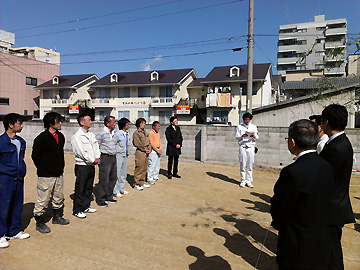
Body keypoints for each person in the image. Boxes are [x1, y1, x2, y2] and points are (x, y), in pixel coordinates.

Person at [270, 119, 335, 270]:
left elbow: (279, 208)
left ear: (292, 142)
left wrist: (278, 223)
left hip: (297, 246)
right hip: (321, 242)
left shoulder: (292, 172)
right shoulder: (326, 165)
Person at [319, 104, 355, 270]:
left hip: (331, 208)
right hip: (335, 205)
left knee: (332, 253)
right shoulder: (340, 142)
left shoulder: (337, 147)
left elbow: (325, 178)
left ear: (326, 121)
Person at [32, 112, 69, 234]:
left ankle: (57, 217)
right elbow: (35, 156)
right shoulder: (42, 138)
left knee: (58, 197)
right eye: (58, 121)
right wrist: (44, 168)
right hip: (46, 174)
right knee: (43, 199)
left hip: (58, 173)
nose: (60, 123)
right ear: (50, 123)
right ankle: (40, 222)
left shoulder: (61, 136)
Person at [0, 113, 29, 248]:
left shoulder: (21, 142)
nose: (21, 125)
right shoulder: (1, 142)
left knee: (17, 205)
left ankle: (14, 231)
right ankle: (1, 234)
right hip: (5, 179)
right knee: (3, 206)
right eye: (19, 123)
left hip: (18, 178)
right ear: (10, 125)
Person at [71, 114, 100, 219]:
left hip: (91, 165)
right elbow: (80, 152)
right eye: (89, 120)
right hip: (82, 166)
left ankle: (86, 206)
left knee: (88, 187)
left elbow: (96, 147)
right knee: (80, 188)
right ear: (82, 122)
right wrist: (92, 160)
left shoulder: (91, 134)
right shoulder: (77, 136)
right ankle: (77, 210)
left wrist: (97, 157)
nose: (91, 121)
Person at [95, 116, 117, 207]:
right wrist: (97, 158)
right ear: (107, 123)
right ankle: (101, 199)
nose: (114, 124)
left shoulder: (114, 133)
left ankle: (109, 196)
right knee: (104, 179)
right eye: (113, 122)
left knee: (113, 178)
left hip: (113, 157)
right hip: (105, 157)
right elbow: (96, 145)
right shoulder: (101, 134)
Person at [235, 112, 259, 188]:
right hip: (243, 146)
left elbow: (257, 136)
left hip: (251, 146)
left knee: (250, 164)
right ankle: (243, 180)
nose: (247, 121)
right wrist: (242, 136)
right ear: (243, 119)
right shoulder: (239, 127)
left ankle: (249, 181)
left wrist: (254, 136)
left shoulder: (253, 127)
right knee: (242, 163)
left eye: (248, 119)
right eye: (246, 119)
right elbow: (237, 137)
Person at [113, 118, 130, 198]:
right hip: (118, 155)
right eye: (127, 124)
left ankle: (121, 188)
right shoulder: (117, 134)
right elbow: (113, 144)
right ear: (123, 125)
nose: (129, 126)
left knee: (123, 173)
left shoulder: (127, 134)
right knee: (118, 173)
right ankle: (115, 190)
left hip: (125, 155)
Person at [132, 118, 151, 190]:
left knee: (144, 168)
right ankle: (136, 183)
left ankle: (142, 182)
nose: (144, 125)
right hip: (140, 152)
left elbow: (149, 142)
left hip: (146, 152)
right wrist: (145, 149)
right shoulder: (136, 133)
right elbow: (137, 144)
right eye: (142, 123)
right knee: (139, 167)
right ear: (138, 124)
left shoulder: (145, 132)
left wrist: (149, 149)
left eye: (144, 123)